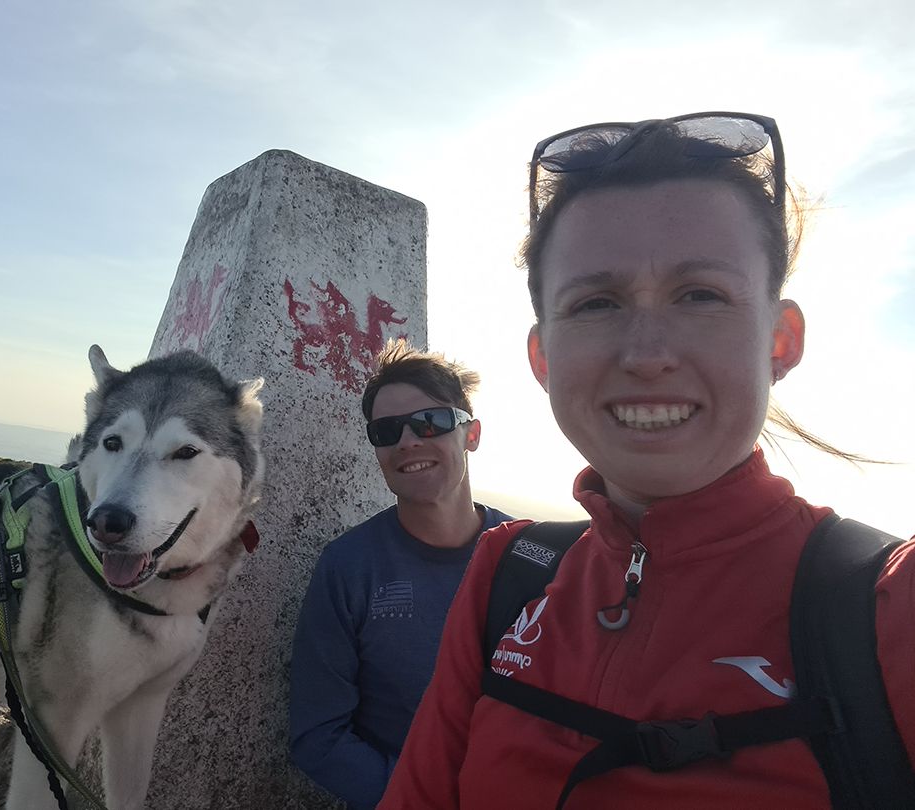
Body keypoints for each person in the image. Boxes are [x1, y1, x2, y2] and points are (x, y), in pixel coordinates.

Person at [378, 113, 915, 808]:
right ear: (543, 358)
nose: (647, 354)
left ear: (779, 341)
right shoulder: (504, 577)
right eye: (597, 303)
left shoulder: (886, 608)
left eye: (701, 295)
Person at [290, 340, 514, 810]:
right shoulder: (349, 567)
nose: (409, 441)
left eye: (430, 422)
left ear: (471, 434)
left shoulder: (532, 556)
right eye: (387, 431)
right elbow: (318, 734)